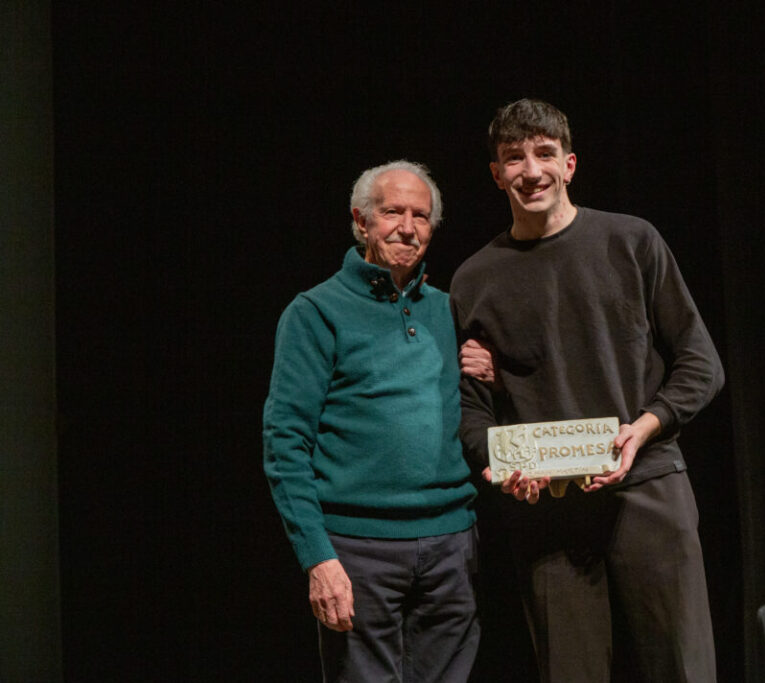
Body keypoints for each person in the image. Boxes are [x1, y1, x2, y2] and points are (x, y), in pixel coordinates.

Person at [450, 98, 725, 682]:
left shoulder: (632, 242)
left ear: (569, 164)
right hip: (549, 509)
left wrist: (645, 427)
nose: (532, 171)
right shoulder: (475, 279)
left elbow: (701, 363)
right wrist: (503, 465)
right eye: (514, 158)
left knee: (683, 667)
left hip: (647, 485)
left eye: (545, 153)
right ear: (496, 174)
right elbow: (472, 415)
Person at [262, 160, 480, 682]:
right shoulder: (316, 312)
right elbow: (285, 442)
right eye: (392, 213)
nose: (407, 227)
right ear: (361, 221)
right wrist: (317, 557)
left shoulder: (449, 311)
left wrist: (486, 368)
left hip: (452, 543)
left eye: (421, 216)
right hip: (358, 551)